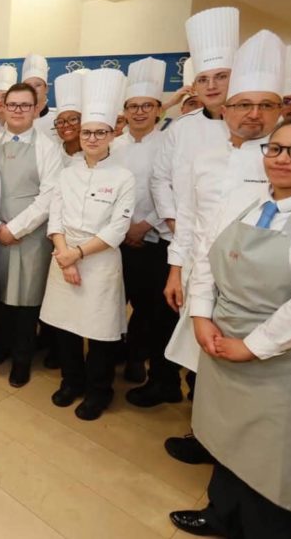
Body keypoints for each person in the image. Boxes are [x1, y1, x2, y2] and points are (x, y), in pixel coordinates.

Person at [169, 112, 291, 539]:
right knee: (227, 436)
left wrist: (254, 346)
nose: (281, 159)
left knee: (276, 460)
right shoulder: (253, 200)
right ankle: (221, 513)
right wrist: (201, 315)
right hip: (226, 341)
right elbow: (208, 256)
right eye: (276, 148)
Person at [162, 30, 287, 464]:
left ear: (280, 109)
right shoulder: (206, 157)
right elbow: (191, 220)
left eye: (265, 105)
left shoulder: (285, 160)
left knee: (239, 375)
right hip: (200, 276)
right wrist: (177, 270)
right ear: (225, 108)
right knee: (202, 363)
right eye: (242, 105)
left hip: (252, 290)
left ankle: (232, 452)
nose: (252, 115)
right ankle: (204, 436)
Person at [40, 68, 134, 421]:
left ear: (112, 134)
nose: (92, 138)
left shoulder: (123, 177)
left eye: (100, 132)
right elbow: (55, 217)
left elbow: (117, 230)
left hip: (99, 261)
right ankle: (71, 381)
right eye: (87, 132)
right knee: (64, 326)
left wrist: (75, 255)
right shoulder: (68, 173)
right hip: (63, 255)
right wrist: (65, 256)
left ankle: (99, 390)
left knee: (99, 332)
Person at [110, 58, 182, 405]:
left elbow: (173, 188)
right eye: (133, 106)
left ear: (158, 109)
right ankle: (121, 356)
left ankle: (153, 371)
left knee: (152, 311)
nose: (140, 112)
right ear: (124, 111)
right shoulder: (114, 145)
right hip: (115, 239)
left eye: (147, 106)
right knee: (113, 301)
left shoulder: (170, 144)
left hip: (154, 240)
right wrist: (122, 228)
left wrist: (146, 224)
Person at [0, 82, 63, 387]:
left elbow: (49, 196)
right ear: (2, 107)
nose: (18, 110)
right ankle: (1, 347)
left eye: (24, 105)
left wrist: (15, 228)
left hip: (29, 237)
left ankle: (22, 358)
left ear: (35, 109)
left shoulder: (47, 147)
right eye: (12, 104)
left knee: (26, 301)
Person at [151, 7, 238, 239]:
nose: (211, 86)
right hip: (182, 236)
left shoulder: (259, 129)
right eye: (203, 79)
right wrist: (174, 223)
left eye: (221, 76)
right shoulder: (181, 128)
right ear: (195, 86)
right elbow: (160, 179)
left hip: (236, 241)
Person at [53, 71, 84, 165]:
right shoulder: (51, 155)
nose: (66, 125)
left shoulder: (97, 155)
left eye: (73, 119)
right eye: (60, 121)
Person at [20, 55, 53, 137]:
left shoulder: (56, 120)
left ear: (46, 89)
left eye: (38, 85)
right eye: (28, 85)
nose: (32, 89)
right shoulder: (15, 118)